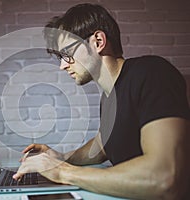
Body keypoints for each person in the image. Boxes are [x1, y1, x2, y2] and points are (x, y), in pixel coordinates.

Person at [13, 3, 190, 199]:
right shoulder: (109, 96)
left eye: (66, 54)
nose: (62, 66)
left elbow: (165, 177)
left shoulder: (152, 73)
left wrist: (63, 172)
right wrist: (60, 157)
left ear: (97, 41)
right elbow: (103, 145)